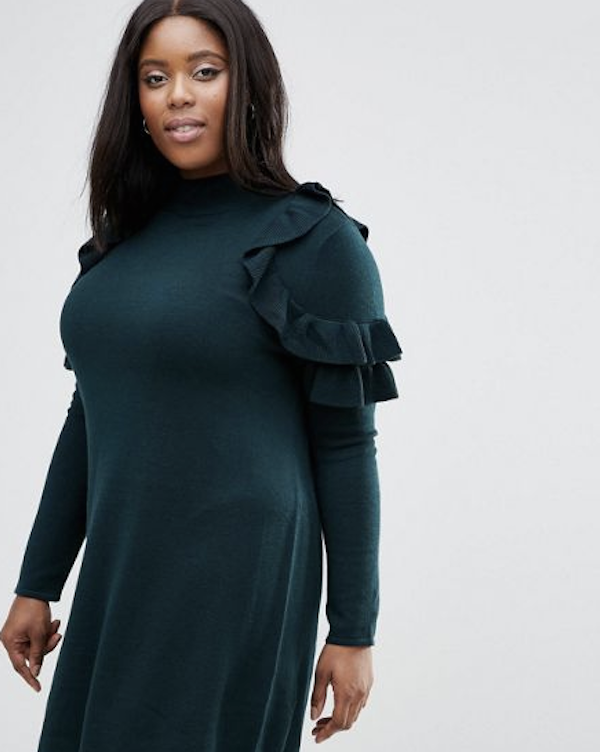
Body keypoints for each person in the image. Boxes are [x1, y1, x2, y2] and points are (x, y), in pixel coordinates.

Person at [0, 1, 403, 750]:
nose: (178, 94)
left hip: (233, 579)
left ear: (248, 84)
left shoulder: (314, 241)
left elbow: (348, 447)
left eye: (204, 72)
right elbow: (90, 415)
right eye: (155, 77)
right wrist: (38, 580)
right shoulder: (122, 243)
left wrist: (353, 631)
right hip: (122, 570)